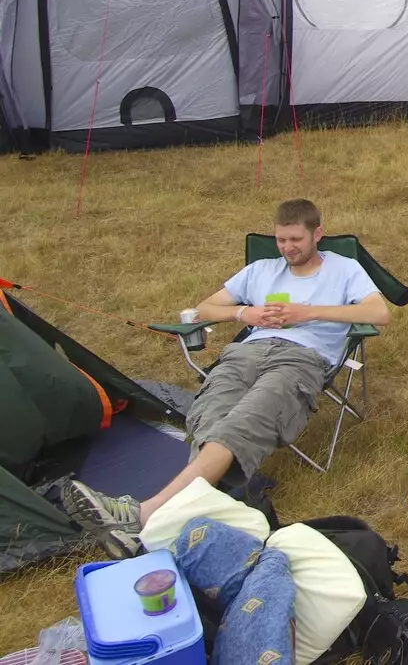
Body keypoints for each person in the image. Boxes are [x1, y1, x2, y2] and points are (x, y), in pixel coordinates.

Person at [63, 199, 389, 558]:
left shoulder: (343, 269)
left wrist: (306, 312)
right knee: (209, 414)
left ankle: (145, 514)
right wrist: (244, 313)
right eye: (281, 240)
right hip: (246, 352)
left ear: (318, 234)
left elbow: (378, 312)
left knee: (247, 418)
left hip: (302, 358)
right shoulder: (261, 270)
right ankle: (175, 522)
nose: (287, 248)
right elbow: (202, 308)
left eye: (296, 239)